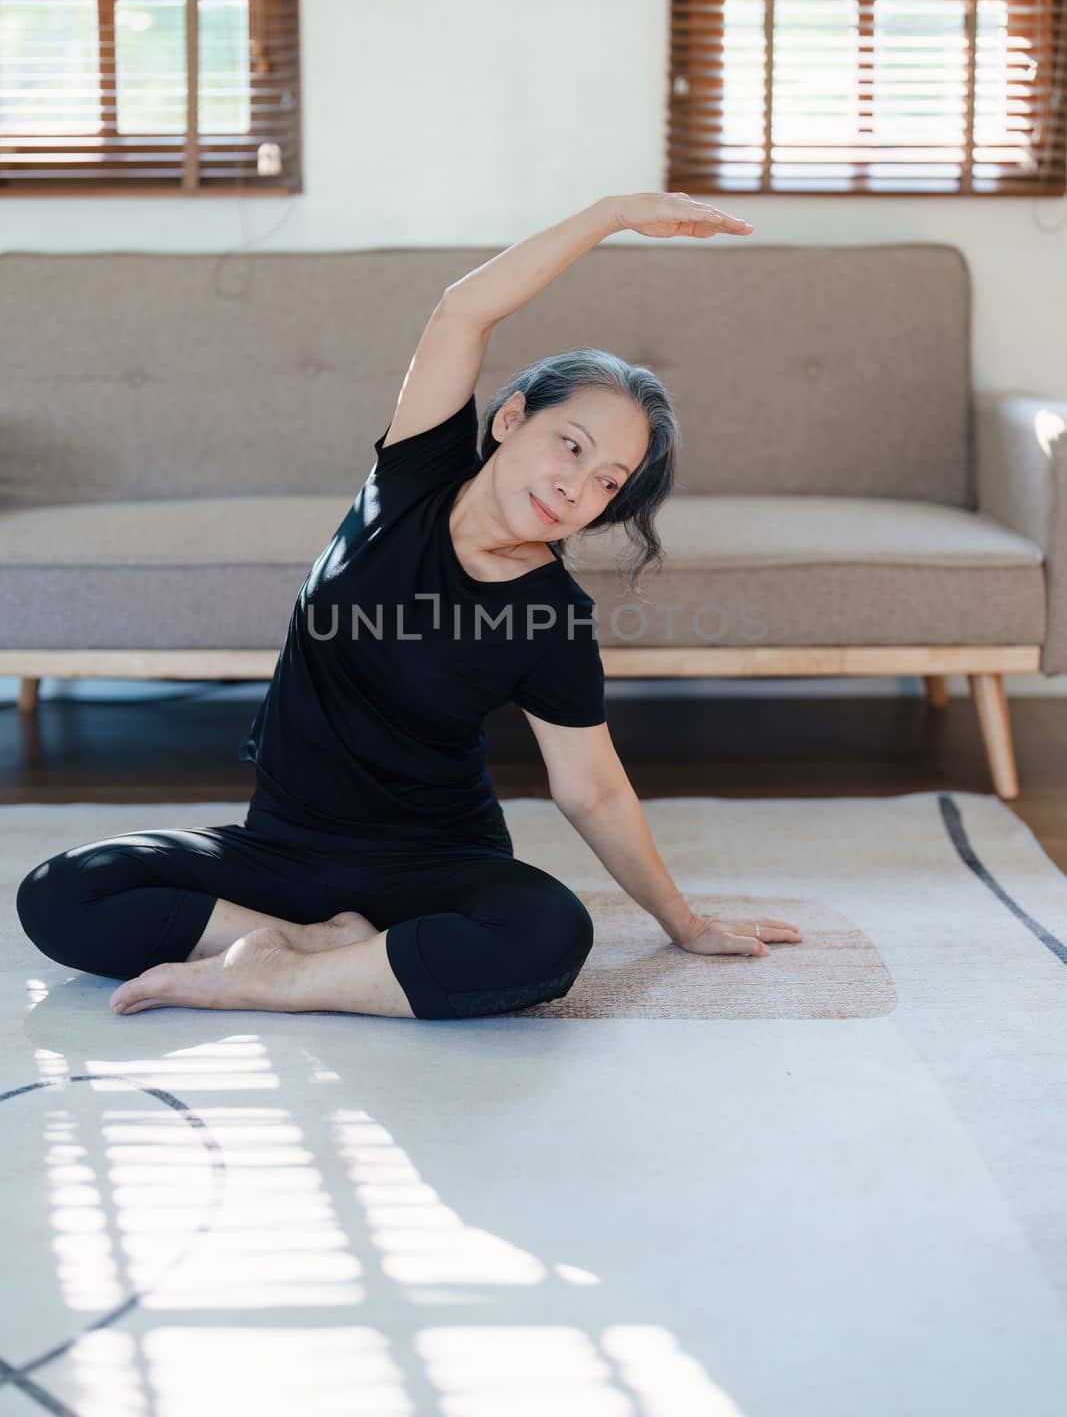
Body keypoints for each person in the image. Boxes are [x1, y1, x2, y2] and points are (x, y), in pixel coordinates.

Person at [15, 192, 801, 1021]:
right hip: (277, 847)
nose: (577, 485)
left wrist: (680, 921)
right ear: (509, 420)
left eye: (608, 481)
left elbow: (593, 792)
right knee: (63, 893)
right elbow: (463, 309)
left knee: (547, 935)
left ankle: (278, 973)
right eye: (570, 445)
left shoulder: (551, 615)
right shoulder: (412, 475)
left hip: (432, 864)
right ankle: (322, 947)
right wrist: (607, 216)